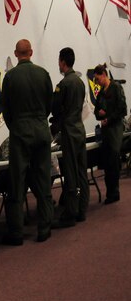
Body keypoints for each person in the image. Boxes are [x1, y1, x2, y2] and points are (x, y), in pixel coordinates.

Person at [0, 39, 54, 245]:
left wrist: (16, 126)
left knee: (17, 182)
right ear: (31, 52)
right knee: (43, 179)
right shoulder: (43, 74)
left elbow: (6, 109)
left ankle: (16, 233)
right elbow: (49, 104)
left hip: (20, 132)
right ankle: (44, 228)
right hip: (41, 130)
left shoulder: (10, 77)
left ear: (16, 54)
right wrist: (39, 120)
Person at [51, 48, 88, 225]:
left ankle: (70, 213)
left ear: (63, 62)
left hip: (69, 132)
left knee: (71, 172)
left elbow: (55, 108)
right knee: (82, 171)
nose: (58, 64)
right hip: (79, 129)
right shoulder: (80, 82)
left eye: (59, 61)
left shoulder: (63, 84)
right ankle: (82, 209)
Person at [93, 63, 126, 204]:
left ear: (104, 75)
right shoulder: (101, 93)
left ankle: (114, 192)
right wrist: (100, 114)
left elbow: (123, 109)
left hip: (115, 128)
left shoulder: (116, 87)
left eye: (98, 78)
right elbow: (96, 111)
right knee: (107, 162)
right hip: (105, 130)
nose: (96, 82)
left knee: (113, 160)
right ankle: (110, 193)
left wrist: (109, 118)